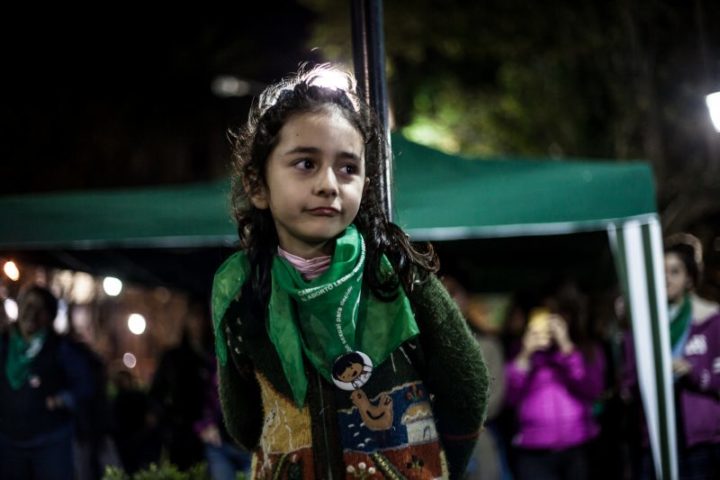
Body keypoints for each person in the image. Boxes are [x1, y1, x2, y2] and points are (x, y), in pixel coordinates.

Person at [211, 65, 489, 479]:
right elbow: (242, 421)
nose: (329, 184)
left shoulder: (397, 274)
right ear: (257, 185)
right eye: (306, 163)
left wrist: (432, 467)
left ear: (365, 184)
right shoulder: (238, 295)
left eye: (347, 168)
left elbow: (467, 387)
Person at [504, 283, 605, 480]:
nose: (550, 323)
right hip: (534, 451)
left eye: (557, 315)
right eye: (545, 314)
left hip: (578, 446)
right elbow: (508, 396)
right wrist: (525, 355)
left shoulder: (586, 349)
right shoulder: (520, 349)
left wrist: (567, 349)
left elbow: (593, 389)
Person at [0, 285, 93, 480]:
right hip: (8, 441)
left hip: (50, 442)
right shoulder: (5, 344)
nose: (31, 313)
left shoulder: (62, 349)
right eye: (27, 305)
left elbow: (85, 385)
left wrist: (63, 399)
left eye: (40, 308)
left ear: (50, 316)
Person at [661, 234, 719, 478]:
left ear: (689, 278)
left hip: (704, 439)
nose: (666, 279)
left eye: (674, 272)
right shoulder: (649, 326)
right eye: (661, 271)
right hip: (664, 436)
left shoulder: (711, 320)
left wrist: (693, 372)